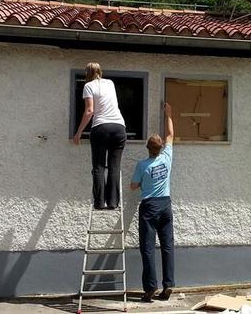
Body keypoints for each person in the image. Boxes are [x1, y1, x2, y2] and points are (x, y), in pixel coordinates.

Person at [131, 102, 175, 303]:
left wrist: (141, 184)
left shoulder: (142, 165)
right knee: (167, 246)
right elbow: (170, 135)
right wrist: (168, 115)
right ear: (160, 148)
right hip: (166, 205)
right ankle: (169, 285)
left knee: (147, 247)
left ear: (148, 148)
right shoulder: (167, 157)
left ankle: (150, 289)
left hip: (149, 207)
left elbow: (133, 186)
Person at [73, 62, 127, 210]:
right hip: (119, 127)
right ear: (100, 71)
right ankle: (113, 202)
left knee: (99, 167)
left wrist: (78, 133)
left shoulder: (88, 86)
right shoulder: (110, 83)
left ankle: (99, 202)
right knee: (114, 167)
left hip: (101, 128)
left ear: (87, 74)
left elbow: (89, 111)